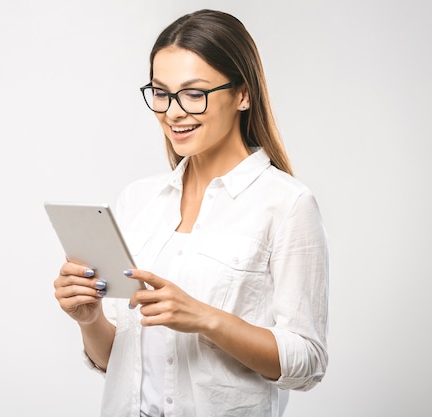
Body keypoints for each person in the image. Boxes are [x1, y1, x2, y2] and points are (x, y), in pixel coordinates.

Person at [53, 9, 329, 417]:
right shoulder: (137, 200)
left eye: (194, 93)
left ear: (243, 94)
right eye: (161, 92)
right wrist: (89, 319)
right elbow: (118, 363)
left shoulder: (286, 204)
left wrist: (205, 319)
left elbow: (307, 363)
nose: (173, 111)